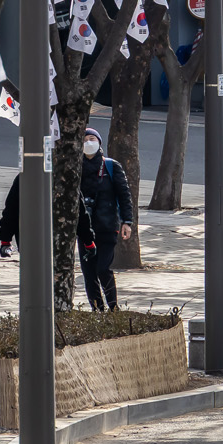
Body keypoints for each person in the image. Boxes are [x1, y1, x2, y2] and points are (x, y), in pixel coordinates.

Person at [77, 128, 135, 311]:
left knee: (103, 268)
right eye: (84, 140)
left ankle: (113, 307)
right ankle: (97, 309)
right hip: (85, 229)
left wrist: (127, 221)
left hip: (107, 227)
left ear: (99, 142)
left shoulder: (111, 166)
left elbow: (124, 195)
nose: (88, 142)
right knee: (89, 273)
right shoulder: (75, 168)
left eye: (92, 138)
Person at [0, 173, 94, 262]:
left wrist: (5, 241)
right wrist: (88, 241)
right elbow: (79, 212)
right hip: (61, 242)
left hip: (30, 241)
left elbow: (11, 210)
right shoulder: (67, 176)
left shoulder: (25, 177)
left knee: (32, 275)